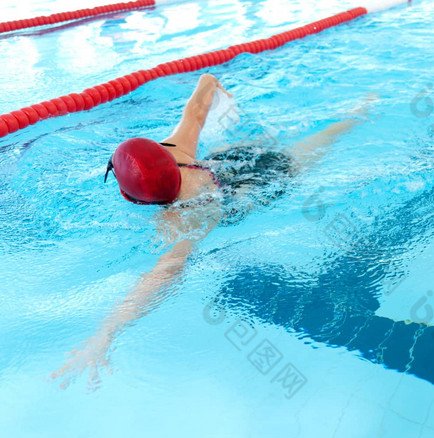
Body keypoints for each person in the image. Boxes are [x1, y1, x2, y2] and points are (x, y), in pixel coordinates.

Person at [52, 73, 374, 388]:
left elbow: (165, 272)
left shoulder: (182, 217)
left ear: (134, 198)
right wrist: (213, 85)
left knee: (310, 151)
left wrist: (105, 334)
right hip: (234, 159)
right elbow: (201, 93)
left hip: (253, 189)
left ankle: (357, 118)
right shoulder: (178, 147)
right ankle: (358, 113)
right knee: (310, 140)